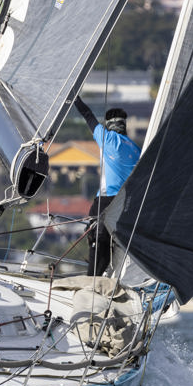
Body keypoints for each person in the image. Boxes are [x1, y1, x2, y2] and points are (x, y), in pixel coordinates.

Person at [72, 95, 141, 276]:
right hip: (127, 204)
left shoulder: (108, 139)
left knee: (97, 238)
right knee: (113, 242)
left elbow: (88, 115)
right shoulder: (135, 149)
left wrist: (75, 98)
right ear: (124, 125)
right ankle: (106, 274)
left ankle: (92, 277)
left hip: (106, 201)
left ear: (109, 124)